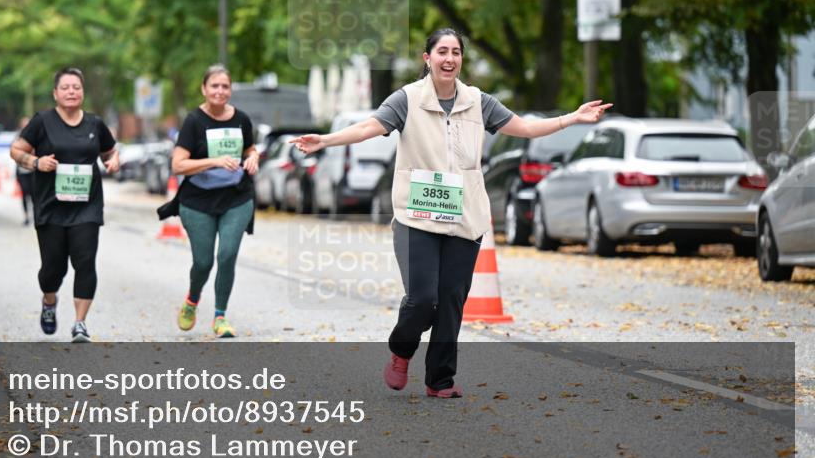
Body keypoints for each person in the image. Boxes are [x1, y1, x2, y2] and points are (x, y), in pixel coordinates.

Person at [291, 28, 612, 398]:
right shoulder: (407, 99)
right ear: (426, 58)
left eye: (456, 52)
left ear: (461, 60)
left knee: (452, 300)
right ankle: (401, 350)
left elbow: (524, 127)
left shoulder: (479, 102)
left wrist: (571, 118)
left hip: (464, 218)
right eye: (442, 51)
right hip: (416, 217)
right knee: (422, 299)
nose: (449, 58)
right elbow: (369, 126)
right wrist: (325, 140)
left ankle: (439, 380)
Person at [10, 68, 120, 343]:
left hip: (87, 206)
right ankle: (49, 300)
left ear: (82, 92)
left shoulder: (95, 124)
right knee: (52, 269)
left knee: (85, 261)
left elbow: (111, 150)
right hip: (51, 206)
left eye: (76, 87)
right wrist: (36, 162)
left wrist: (113, 161)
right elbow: (16, 150)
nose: (72, 92)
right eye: (66, 87)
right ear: (55, 93)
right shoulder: (42, 121)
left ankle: (80, 324)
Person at [171, 65, 259, 338]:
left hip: (236, 198)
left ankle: (220, 316)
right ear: (204, 89)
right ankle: (192, 300)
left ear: (230, 90)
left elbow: (250, 148)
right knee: (203, 262)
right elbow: (178, 165)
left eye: (225, 86)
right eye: (214, 86)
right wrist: (214, 162)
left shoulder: (241, 119)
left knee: (228, 254)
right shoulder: (194, 121)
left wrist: (254, 157)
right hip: (198, 201)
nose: (220, 91)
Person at [15, 116, 36, 225]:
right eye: (23, 124)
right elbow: (14, 152)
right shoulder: (17, 137)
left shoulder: (36, 136)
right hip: (21, 170)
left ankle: (35, 214)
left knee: (34, 194)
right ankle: (26, 215)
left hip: (33, 169)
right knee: (24, 193)